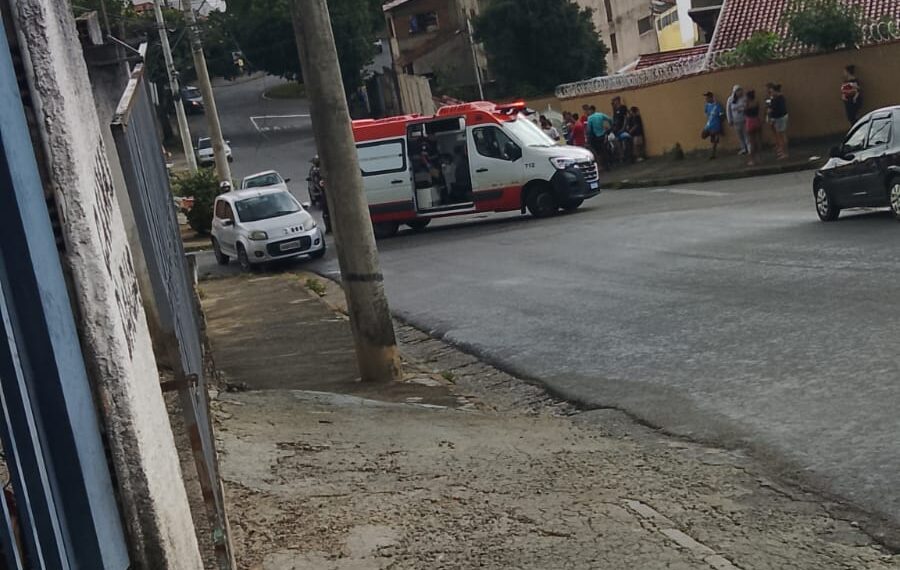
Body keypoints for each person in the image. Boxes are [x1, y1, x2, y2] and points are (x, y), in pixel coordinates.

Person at [766, 83, 789, 159]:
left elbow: (773, 109)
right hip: (780, 117)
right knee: (781, 135)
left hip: (779, 118)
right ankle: (783, 151)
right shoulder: (779, 98)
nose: (771, 93)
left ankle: (784, 153)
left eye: (772, 91)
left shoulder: (777, 98)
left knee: (781, 136)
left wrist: (770, 114)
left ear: (775, 91)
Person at [726, 85, 748, 155]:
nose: (739, 92)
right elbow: (728, 110)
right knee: (740, 135)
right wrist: (729, 120)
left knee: (746, 134)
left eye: (740, 91)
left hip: (744, 120)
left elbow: (746, 107)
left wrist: (741, 109)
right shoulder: (730, 99)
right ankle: (743, 148)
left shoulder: (744, 98)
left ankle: (749, 148)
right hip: (735, 121)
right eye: (738, 91)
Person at [702, 91, 724, 159]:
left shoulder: (717, 105)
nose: (706, 99)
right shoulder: (707, 105)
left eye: (707, 97)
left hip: (715, 124)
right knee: (703, 135)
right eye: (706, 98)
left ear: (711, 98)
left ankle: (713, 154)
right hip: (709, 124)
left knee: (713, 139)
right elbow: (706, 113)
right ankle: (715, 137)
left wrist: (719, 122)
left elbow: (722, 115)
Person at [744, 89, 763, 166]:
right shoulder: (756, 103)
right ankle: (759, 158)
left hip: (749, 122)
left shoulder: (747, 104)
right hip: (756, 120)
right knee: (758, 140)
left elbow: (745, 112)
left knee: (751, 142)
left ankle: (752, 160)